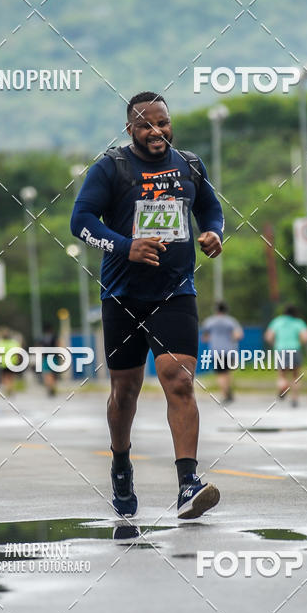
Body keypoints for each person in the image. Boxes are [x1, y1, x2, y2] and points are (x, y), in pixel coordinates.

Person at [70, 92, 225, 520]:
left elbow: (211, 210)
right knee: (125, 392)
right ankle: (121, 463)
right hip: (123, 296)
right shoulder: (112, 167)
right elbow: (80, 221)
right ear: (130, 129)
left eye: (163, 123)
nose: (156, 132)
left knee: (179, 381)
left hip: (175, 291)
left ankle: (188, 484)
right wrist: (126, 247)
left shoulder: (189, 164)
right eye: (146, 125)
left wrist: (213, 233)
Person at [264, 304, 307, 407]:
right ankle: (294, 399)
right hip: (295, 349)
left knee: (282, 375)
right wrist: (299, 343)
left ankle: (283, 388)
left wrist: (275, 344)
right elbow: (306, 337)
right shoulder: (298, 322)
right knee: (296, 376)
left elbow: (268, 336)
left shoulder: (277, 321)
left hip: (281, 350)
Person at [201, 301, 243, 403]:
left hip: (216, 351)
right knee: (227, 372)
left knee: (220, 374)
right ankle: (228, 392)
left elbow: (205, 338)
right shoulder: (231, 321)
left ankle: (225, 394)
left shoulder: (209, 321)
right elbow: (238, 335)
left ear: (216, 310)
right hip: (229, 350)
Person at [0, 327, 23, 397]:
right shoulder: (14, 343)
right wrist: (19, 361)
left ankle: (8, 389)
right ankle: (10, 389)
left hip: (3, 364)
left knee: (4, 378)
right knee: (11, 377)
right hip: (13, 363)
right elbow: (19, 352)